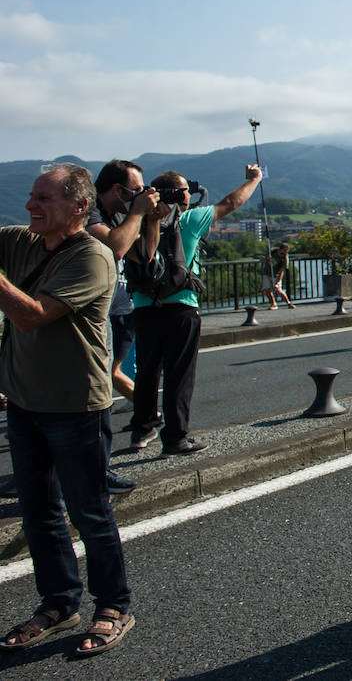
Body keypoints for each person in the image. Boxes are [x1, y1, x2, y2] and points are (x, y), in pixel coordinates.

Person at [0, 164, 135, 657]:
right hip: (23, 403)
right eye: (32, 196)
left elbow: (33, 317)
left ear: (79, 207)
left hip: (75, 406)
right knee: (38, 513)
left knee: (90, 513)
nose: (33, 205)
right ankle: (58, 603)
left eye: (45, 199)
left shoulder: (93, 257)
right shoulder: (20, 241)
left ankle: (114, 606)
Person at [127, 165, 262, 456]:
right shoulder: (189, 219)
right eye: (185, 188)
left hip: (143, 306)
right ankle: (175, 437)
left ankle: (142, 430)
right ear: (178, 195)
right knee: (179, 373)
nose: (190, 192)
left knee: (147, 371)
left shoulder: (136, 221)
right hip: (181, 305)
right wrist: (253, 180)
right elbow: (231, 202)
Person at [88, 159, 161, 496]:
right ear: (117, 189)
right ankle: (93, 471)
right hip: (95, 316)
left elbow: (143, 255)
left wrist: (152, 221)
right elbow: (114, 247)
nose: (139, 194)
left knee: (105, 382)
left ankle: (95, 469)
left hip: (119, 312)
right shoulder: (91, 213)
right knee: (97, 391)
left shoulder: (121, 215)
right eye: (135, 189)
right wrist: (137, 212)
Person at [264, 242, 294, 310]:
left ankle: (288, 303)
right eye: (282, 253)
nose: (283, 254)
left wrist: (278, 281)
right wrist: (267, 258)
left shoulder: (285, 257)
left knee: (278, 289)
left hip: (276, 274)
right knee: (267, 289)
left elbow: (282, 270)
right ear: (279, 250)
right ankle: (273, 303)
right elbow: (263, 258)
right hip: (267, 272)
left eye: (285, 253)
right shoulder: (272, 252)